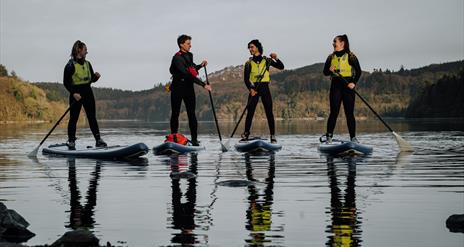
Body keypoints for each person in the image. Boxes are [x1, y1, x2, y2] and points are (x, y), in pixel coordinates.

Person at [169, 34, 212, 146]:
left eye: (190, 43)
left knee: (192, 114)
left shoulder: (189, 55)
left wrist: (200, 66)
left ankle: (194, 140)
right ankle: (174, 138)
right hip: (177, 88)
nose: (190, 45)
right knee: (175, 113)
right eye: (188, 43)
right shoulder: (177, 58)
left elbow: (191, 69)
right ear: (181, 44)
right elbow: (187, 74)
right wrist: (203, 85)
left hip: (188, 88)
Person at [63, 40, 107, 150]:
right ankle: (71, 141)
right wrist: (73, 93)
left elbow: (91, 79)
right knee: (74, 118)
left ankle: (98, 140)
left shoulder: (88, 64)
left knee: (92, 117)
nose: (87, 52)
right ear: (79, 50)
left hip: (88, 92)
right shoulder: (70, 65)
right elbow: (66, 82)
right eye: (85, 50)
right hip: (76, 94)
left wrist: (95, 77)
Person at [241, 39, 284, 143]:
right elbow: (246, 79)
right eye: (249, 48)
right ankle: (246, 135)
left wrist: (276, 58)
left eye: (252, 47)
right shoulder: (248, 63)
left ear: (257, 48)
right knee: (250, 113)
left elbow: (281, 67)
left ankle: (272, 136)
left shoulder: (267, 60)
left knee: (269, 113)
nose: (250, 49)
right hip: (254, 89)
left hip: (265, 88)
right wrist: (250, 89)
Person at [322, 34, 362, 143]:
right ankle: (329, 137)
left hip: (348, 87)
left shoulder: (350, 56)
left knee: (349, 113)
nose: (333, 44)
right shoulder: (330, 57)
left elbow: (358, 71)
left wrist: (353, 82)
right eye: (333, 42)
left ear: (342, 43)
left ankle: (353, 138)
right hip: (335, 86)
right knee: (334, 112)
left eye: (335, 41)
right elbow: (325, 72)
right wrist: (330, 70)